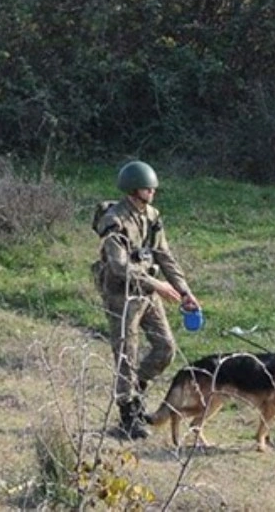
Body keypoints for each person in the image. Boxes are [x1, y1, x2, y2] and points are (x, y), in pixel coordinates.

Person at [93, 160, 202, 440]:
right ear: (132, 190)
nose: (152, 192)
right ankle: (127, 415)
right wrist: (158, 285)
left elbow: (164, 255)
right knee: (126, 355)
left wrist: (184, 291)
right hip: (122, 295)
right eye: (146, 188)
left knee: (166, 348)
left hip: (148, 293)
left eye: (152, 188)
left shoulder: (152, 216)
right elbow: (119, 267)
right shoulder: (114, 220)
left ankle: (136, 392)